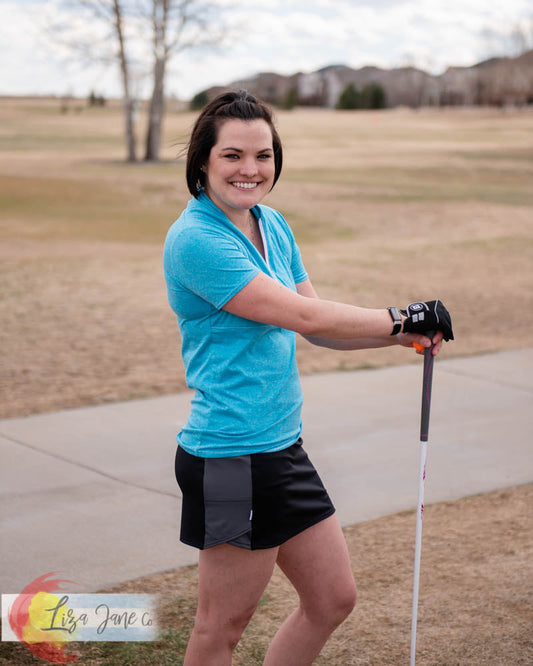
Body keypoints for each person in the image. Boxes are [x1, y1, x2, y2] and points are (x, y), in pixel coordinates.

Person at [163, 90, 453, 666]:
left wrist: (402, 335)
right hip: (230, 459)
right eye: (233, 156)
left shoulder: (270, 224)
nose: (250, 169)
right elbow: (297, 315)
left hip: (280, 450)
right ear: (203, 162)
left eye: (263, 156)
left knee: (331, 599)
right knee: (221, 627)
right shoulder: (197, 239)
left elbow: (319, 330)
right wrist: (402, 315)